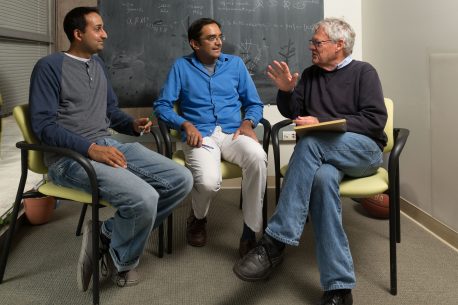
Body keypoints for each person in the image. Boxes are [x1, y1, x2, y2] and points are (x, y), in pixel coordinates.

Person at [29, 7, 193, 291]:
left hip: (106, 144)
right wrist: (90, 148)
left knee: (181, 180)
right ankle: (123, 262)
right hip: (68, 160)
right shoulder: (49, 67)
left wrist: (131, 125)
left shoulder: (98, 65)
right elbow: (43, 126)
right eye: (98, 28)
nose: (105, 34)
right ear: (78, 34)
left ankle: (105, 234)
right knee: (144, 198)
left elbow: (110, 111)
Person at [233, 18, 387, 305]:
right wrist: (287, 91)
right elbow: (294, 112)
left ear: (339, 45)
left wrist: (323, 122)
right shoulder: (309, 74)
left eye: (318, 42)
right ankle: (339, 288)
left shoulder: (364, 72)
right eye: (312, 42)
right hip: (324, 157)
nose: (311, 47)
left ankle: (275, 242)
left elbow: (375, 121)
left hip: (363, 151)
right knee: (322, 178)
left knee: (312, 141)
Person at [154, 18, 267, 257]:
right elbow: (162, 106)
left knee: (258, 157)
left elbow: (254, 103)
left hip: (232, 132)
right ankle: (198, 218)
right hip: (200, 135)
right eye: (211, 38)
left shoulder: (235, 65)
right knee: (207, 181)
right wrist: (184, 124)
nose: (218, 42)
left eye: (220, 36)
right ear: (194, 43)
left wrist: (248, 123)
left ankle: (249, 232)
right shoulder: (181, 67)